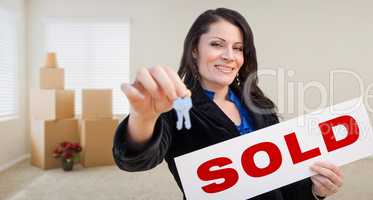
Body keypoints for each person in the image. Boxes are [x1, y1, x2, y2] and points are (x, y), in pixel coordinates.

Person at [112, 8, 343, 200]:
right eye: (217, 44)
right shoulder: (175, 109)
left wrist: (314, 191)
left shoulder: (259, 105)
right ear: (195, 50)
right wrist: (143, 117)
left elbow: (283, 180)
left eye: (238, 48)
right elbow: (135, 160)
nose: (229, 56)